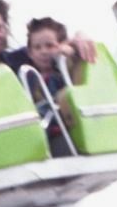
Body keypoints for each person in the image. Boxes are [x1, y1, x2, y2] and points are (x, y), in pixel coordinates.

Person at [22, 16, 78, 157]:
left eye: (50, 45)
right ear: (30, 53)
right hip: (43, 137)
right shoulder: (31, 80)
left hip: (63, 131)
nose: (44, 51)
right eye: (37, 47)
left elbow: (74, 61)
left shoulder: (64, 70)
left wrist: (70, 51)